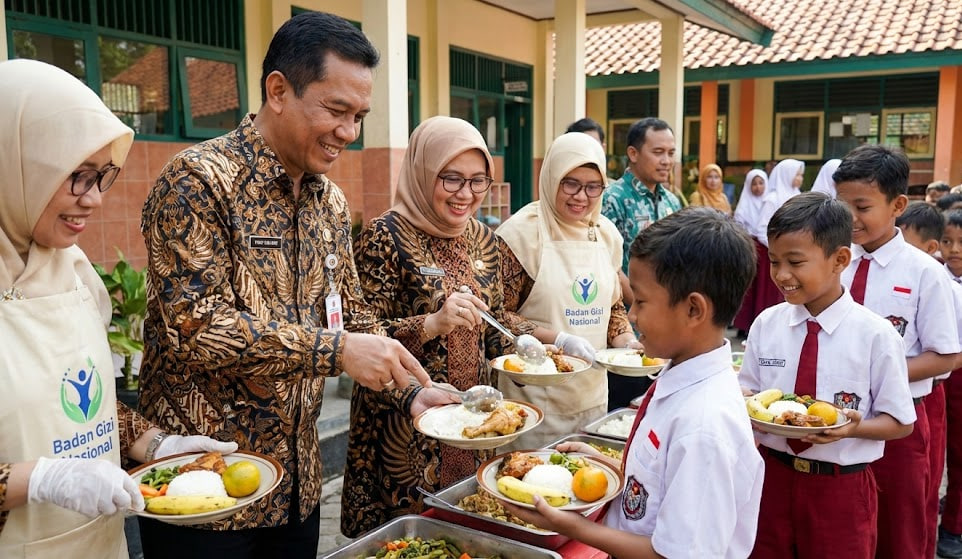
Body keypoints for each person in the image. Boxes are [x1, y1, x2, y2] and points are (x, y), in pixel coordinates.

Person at [137, 12, 430, 558]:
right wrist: (337, 350)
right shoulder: (199, 181)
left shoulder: (331, 203)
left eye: (360, 115)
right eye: (336, 110)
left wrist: (417, 395)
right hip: (207, 493)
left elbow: (351, 316)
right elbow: (198, 328)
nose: (349, 132)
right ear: (278, 90)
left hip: (298, 490)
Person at [0, 59, 234, 557]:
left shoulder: (78, 273)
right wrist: (39, 479)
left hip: (99, 543)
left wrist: (158, 447)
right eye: (76, 177)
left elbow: (80, 407)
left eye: (102, 176)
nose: (94, 200)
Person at [501, 207, 764, 558]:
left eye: (640, 301)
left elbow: (676, 554)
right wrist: (611, 465)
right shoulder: (681, 376)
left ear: (693, 310)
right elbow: (662, 484)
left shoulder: (704, 427)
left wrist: (572, 527)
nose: (633, 316)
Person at [340, 116, 535, 536]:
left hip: (474, 421)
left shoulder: (485, 239)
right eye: (451, 179)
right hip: (404, 425)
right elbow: (361, 333)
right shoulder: (385, 236)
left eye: (478, 181)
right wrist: (431, 324)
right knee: (410, 539)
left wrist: (545, 342)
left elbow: (495, 316)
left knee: (467, 534)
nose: (466, 194)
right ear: (423, 172)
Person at [743, 192, 915, 558]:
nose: (782, 275)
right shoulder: (766, 325)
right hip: (772, 478)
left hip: (841, 488)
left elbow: (900, 422)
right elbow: (749, 394)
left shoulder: (876, 335)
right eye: (774, 262)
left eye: (795, 262)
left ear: (839, 259)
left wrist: (855, 428)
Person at [834, 144, 960, 559]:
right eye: (841, 205)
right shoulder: (836, 262)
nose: (849, 218)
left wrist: (878, 373)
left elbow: (946, 356)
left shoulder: (925, 272)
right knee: (847, 526)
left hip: (901, 421)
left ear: (898, 205)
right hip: (840, 415)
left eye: (862, 206)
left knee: (900, 526)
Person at [496, 132, 637, 444]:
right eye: (570, 183)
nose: (581, 196)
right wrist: (557, 339)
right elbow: (497, 318)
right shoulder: (522, 234)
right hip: (532, 402)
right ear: (551, 178)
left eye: (593, 186)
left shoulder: (606, 234)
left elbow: (612, 308)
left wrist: (626, 343)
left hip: (592, 397)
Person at [600, 117, 682, 406]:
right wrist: (648, 304)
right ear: (633, 154)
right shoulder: (612, 199)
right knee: (625, 411)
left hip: (671, 328)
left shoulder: (673, 202)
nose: (666, 160)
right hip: (629, 329)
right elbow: (609, 266)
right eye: (658, 152)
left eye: (671, 153)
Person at [895, 202, 960, 559]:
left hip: (928, 390)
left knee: (925, 481)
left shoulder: (937, 283)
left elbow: (949, 353)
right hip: (906, 389)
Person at [732, 170, 782, 336]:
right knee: (749, 288)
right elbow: (739, 227)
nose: (758, 187)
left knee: (761, 290)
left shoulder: (768, 201)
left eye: (761, 183)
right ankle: (744, 325)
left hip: (764, 250)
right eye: (754, 183)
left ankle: (758, 324)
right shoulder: (744, 205)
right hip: (750, 247)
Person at [938, 209, 962, 559]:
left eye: (961, 242)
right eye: (947, 241)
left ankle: (953, 528)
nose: (954, 249)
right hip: (936, 377)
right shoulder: (931, 276)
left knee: (959, 455)